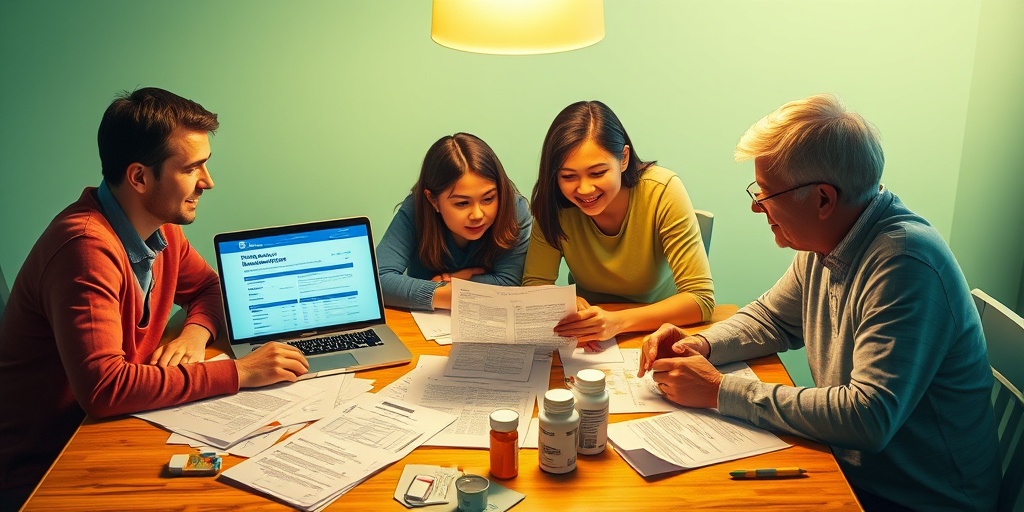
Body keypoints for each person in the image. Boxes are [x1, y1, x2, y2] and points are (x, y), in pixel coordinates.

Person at [638, 94, 999, 511]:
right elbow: (771, 319)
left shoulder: (904, 263)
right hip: (857, 474)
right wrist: (700, 344)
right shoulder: (828, 240)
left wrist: (719, 390)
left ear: (823, 199)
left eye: (765, 193)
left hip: (915, 498)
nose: (756, 207)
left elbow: (868, 417)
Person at [0, 87, 309, 509]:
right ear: (140, 178)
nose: (208, 182)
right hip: (45, 470)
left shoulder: (160, 228)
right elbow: (106, 388)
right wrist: (241, 372)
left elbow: (209, 288)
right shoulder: (85, 249)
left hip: (106, 432)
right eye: (192, 168)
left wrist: (195, 334)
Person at [523, 100, 714, 344]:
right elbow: (535, 286)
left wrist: (618, 322)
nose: (584, 189)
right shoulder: (553, 204)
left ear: (623, 158)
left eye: (597, 173)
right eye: (568, 176)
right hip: (590, 335)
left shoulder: (662, 190)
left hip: (658, 330)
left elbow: (700, 299)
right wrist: (563, 302)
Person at [376, 132, 531, 311]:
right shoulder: (416, 209)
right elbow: (378, 280)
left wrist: (458, 281)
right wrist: (447, 294)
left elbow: (510, 283)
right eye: (462, 203)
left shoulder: (514, 209)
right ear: (433, 200)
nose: (477, 215)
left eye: (488, 199)